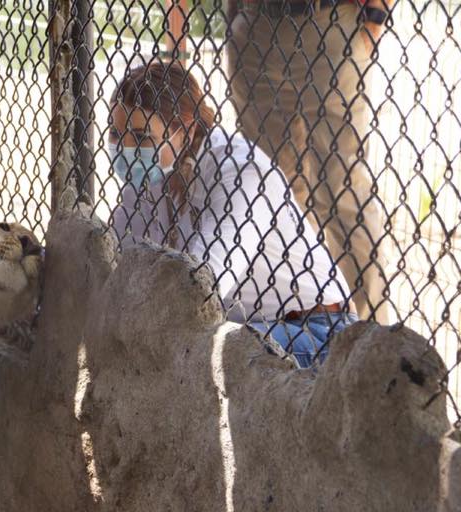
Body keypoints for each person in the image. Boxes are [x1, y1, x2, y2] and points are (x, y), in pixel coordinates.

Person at [107, 59, 358, 368]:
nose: (125, 149)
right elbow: (113, 261)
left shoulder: (240, 172)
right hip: (243, 330)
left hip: (314, 329)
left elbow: (201, 288)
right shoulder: (152, 173)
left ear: (184, 130)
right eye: (117, 134)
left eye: (141, 137)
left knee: (195, 357)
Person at [226, 0, 394, 322]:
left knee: (343, 193)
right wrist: (236, 20)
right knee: (274, 194)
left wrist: (376, 17)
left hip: (328, 23)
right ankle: (302, 330)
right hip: (254, 28)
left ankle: (371, 344)